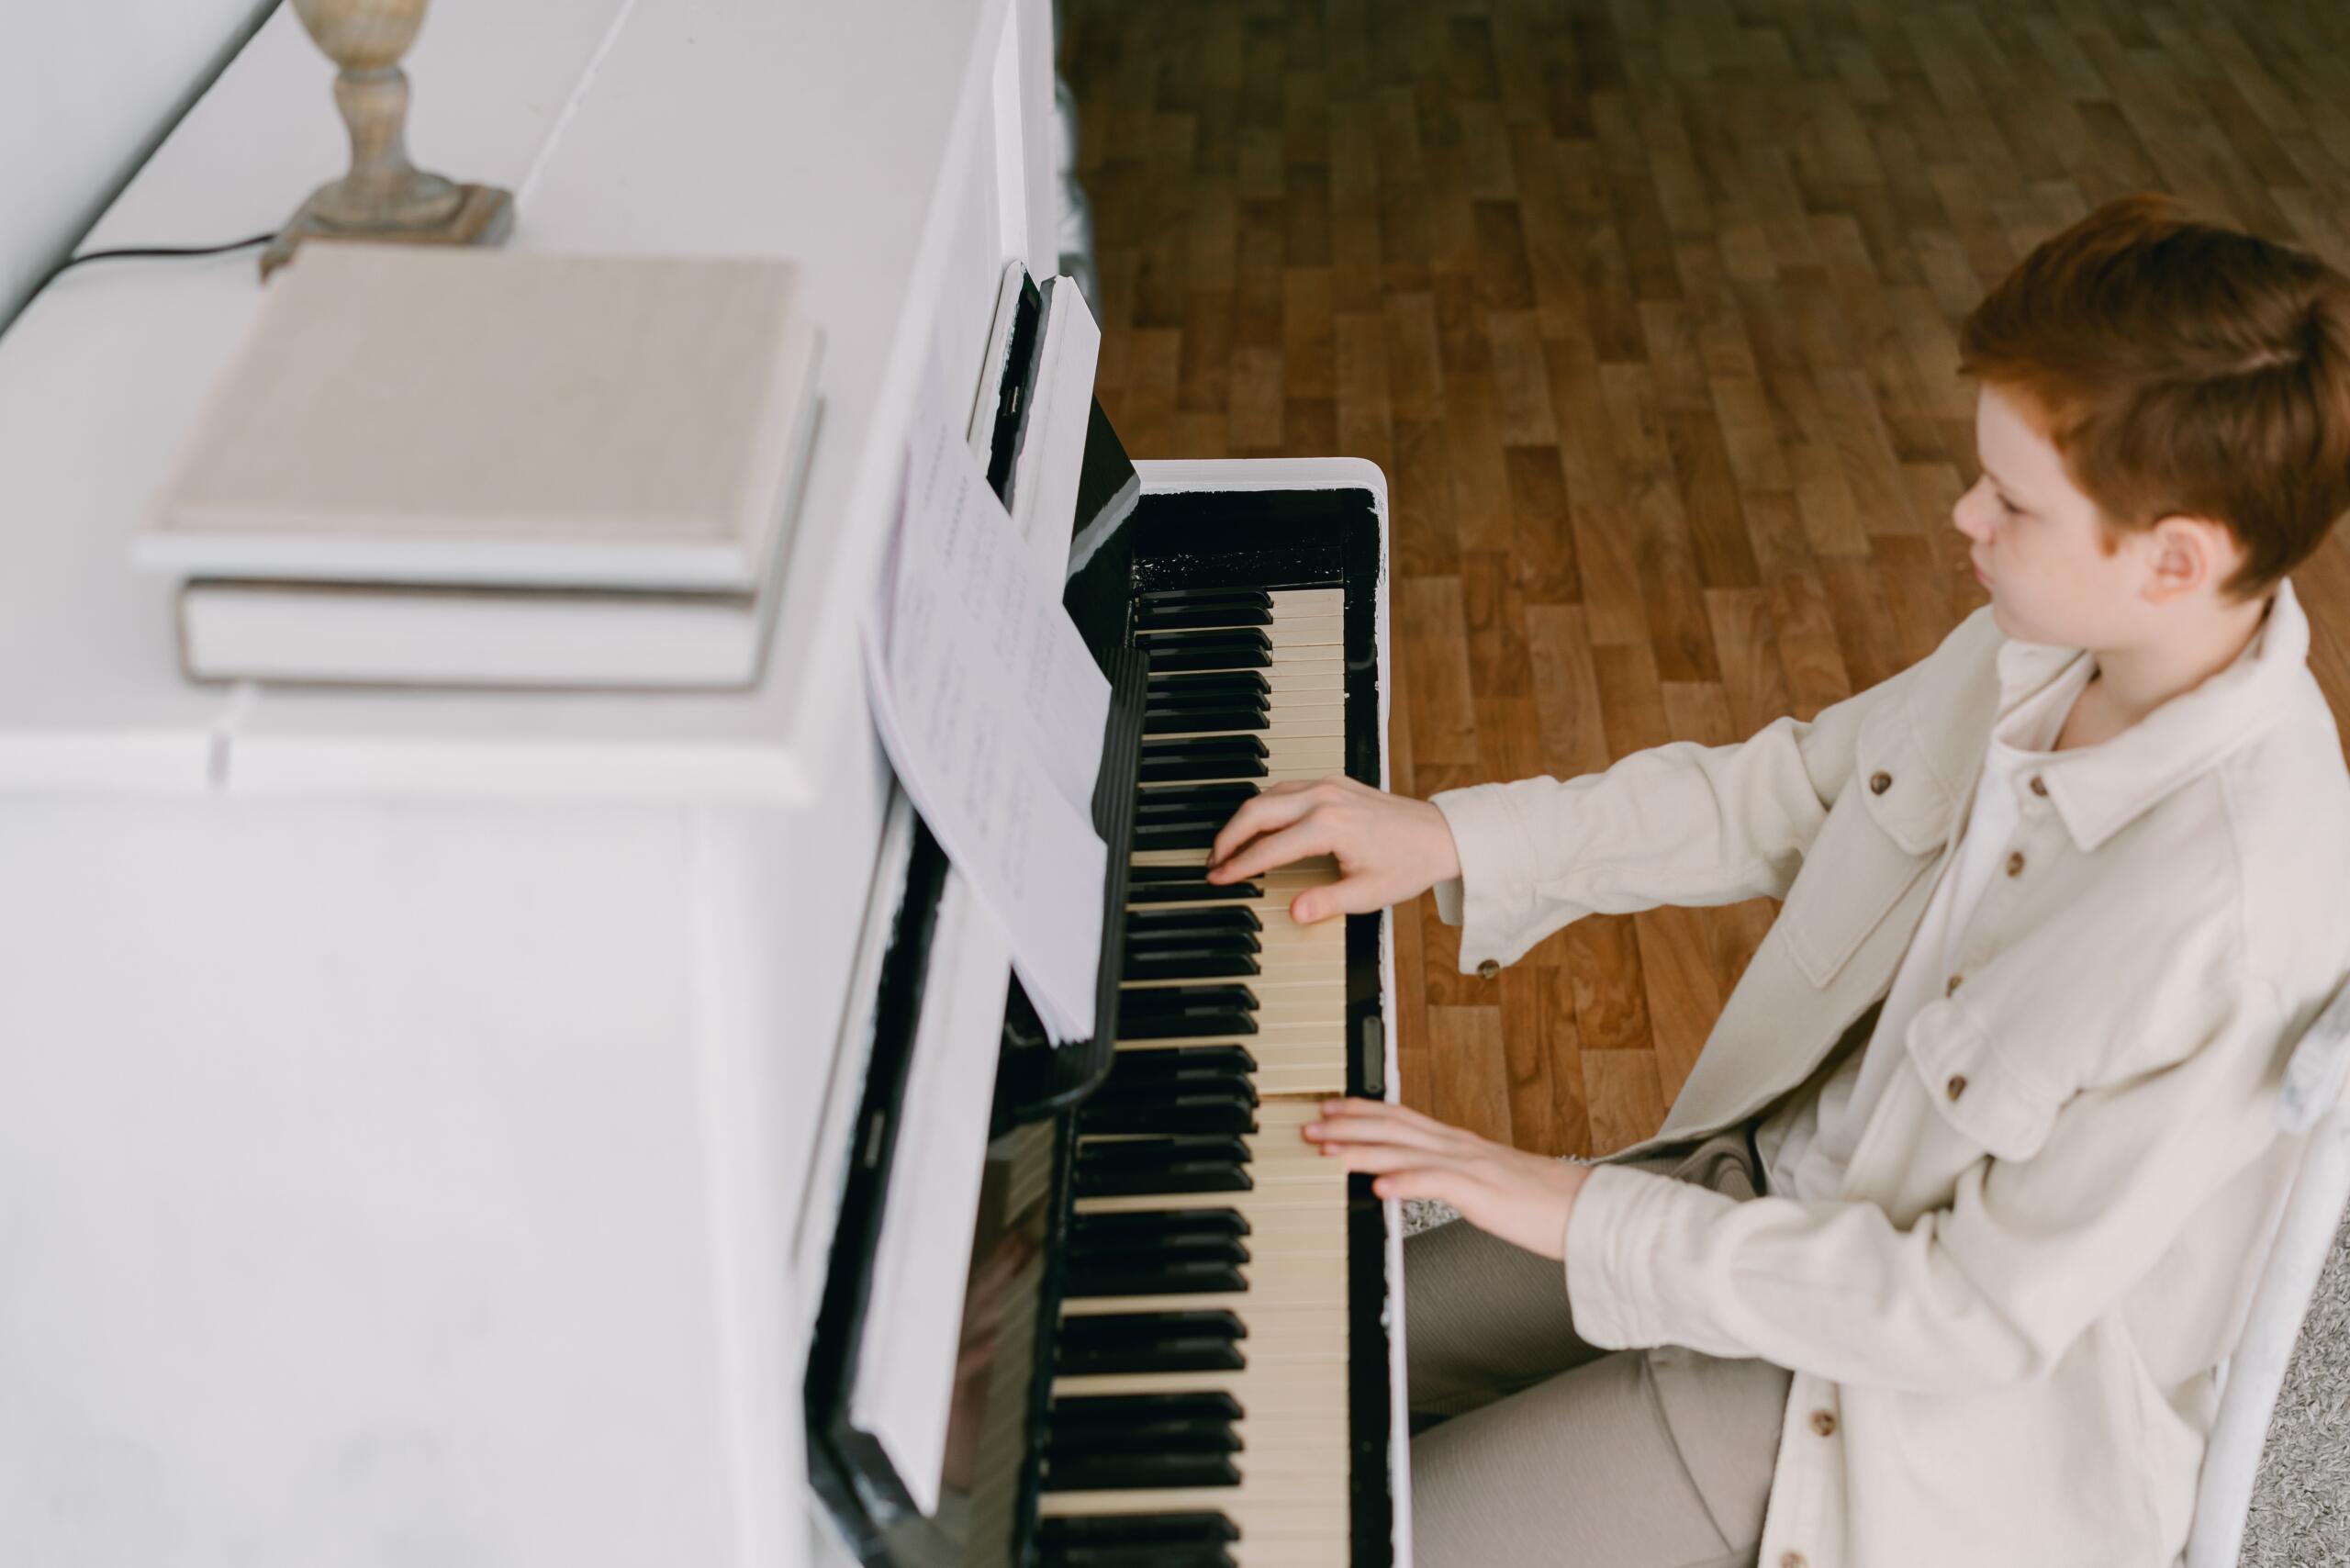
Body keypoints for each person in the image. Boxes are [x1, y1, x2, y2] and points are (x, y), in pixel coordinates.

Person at [1203, 193, 2350, 1568]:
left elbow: (1965, 1317)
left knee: (1306, 1541)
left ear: (2177, 558)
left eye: (2014, 499)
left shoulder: (2233, 921)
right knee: (1257, 1355)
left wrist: (1566, 1205)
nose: (1963, 514)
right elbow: (1798, 788)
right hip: (1745, 1206)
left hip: (1878, 1426)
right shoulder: (2053, 643)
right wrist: (1454, 836)